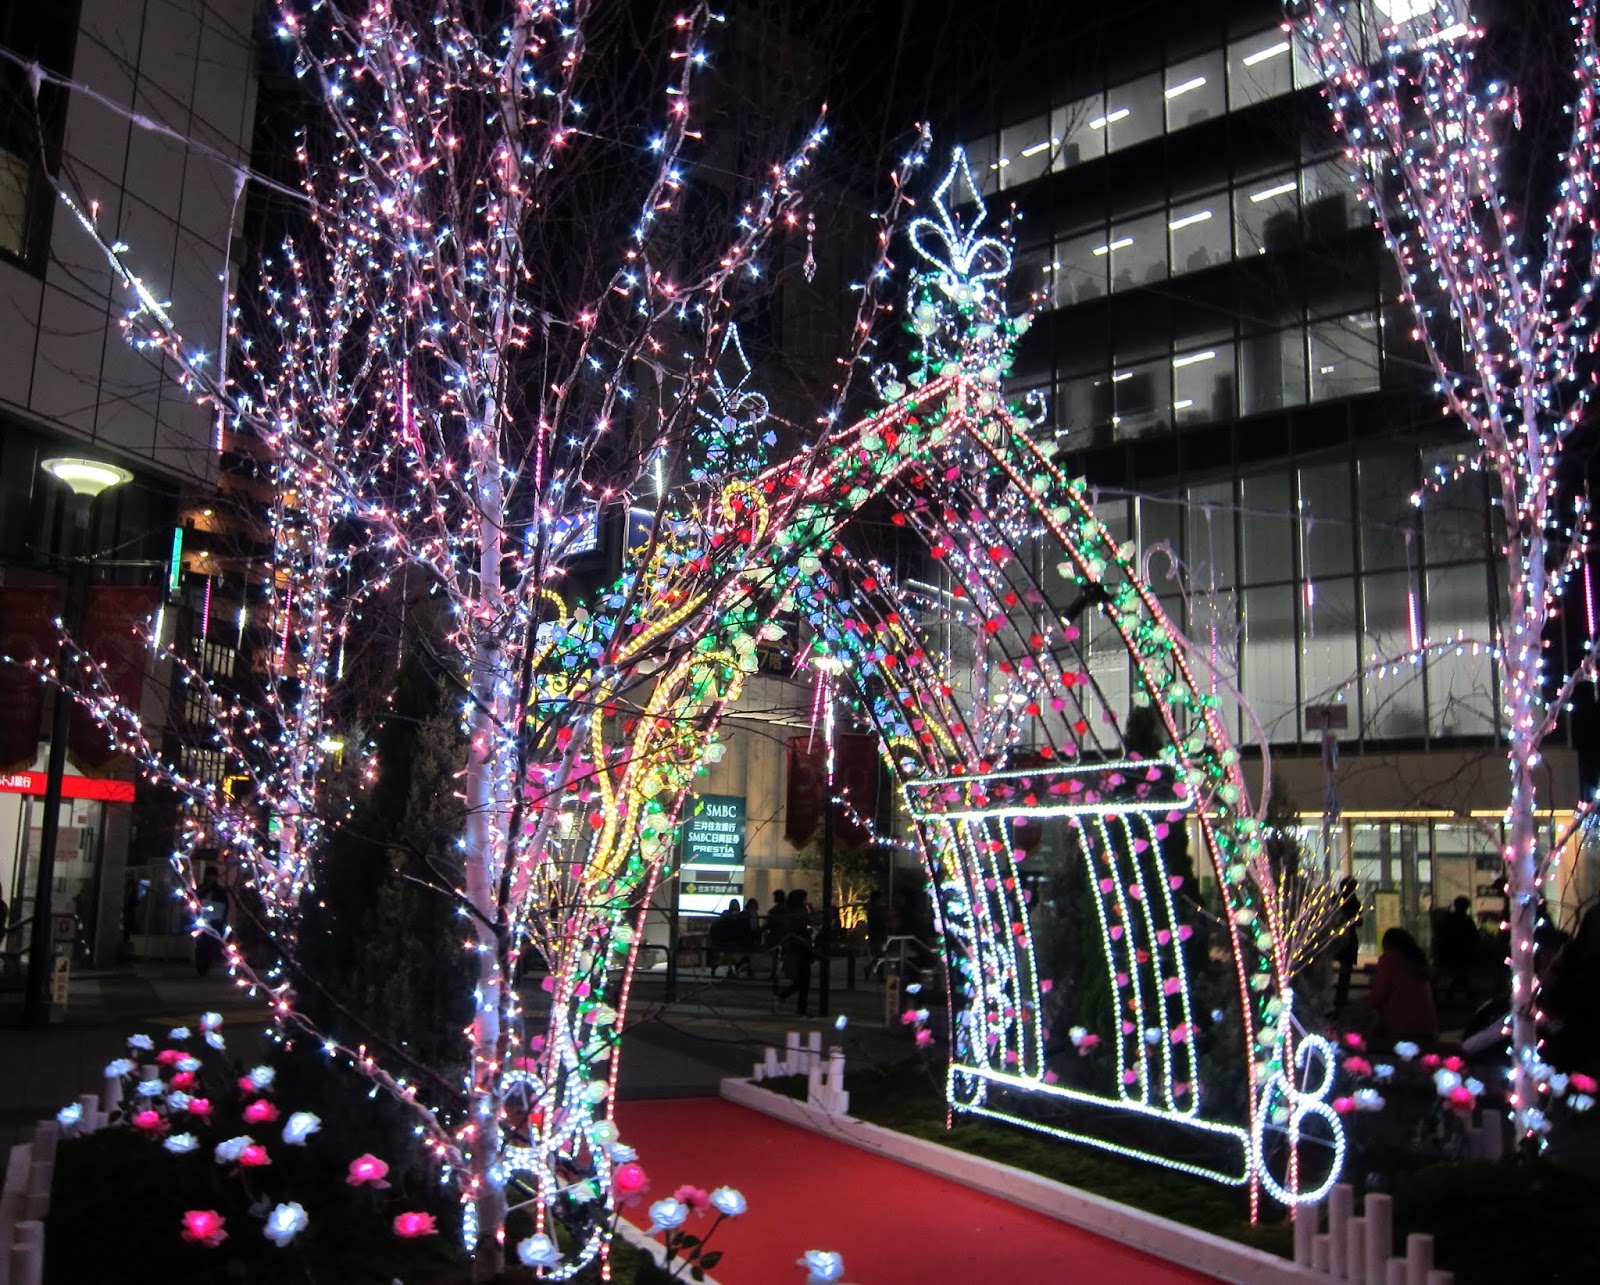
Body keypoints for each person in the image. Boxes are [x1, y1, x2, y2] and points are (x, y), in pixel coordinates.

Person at [1366, 927, 1439, 1044]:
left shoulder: (1389, 961)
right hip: (1428, 1029)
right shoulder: (1417, 962)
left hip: (1400, 1028)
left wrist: (1359, 1006)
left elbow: (1378, 996)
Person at [777, 888, 817, 1017]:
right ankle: (798, 1007)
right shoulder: (801, 912)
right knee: (804, 981)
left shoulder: (790, 912)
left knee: (800, 980)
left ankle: (785, 997)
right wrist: (812, 910)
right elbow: (815, 922)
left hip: (794, 948)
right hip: (802, 948)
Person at [1433, 896, 1478, 1003]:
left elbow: (1440, 934)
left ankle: (1447, 993)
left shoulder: (1448, 919)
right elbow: (1474, 936)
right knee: (1461, 973)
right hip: (1462, 952)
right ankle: (1462, 994)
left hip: (1449, 951)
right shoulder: (1466, 920)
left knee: (1455, 974)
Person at [1332, 878, 1361, 1018]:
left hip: (1335, 937)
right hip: (1349, 938)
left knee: (1334, 969)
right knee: (1345, 972)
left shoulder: (1335, 900)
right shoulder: (1354, 902)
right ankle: (1340, 1000)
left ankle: (1334, 1000)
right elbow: (1359, 922)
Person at [194, 865, 230, 978]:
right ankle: (201, 965)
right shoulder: (201, 889)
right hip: (201, 920)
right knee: (201, 944)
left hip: (215, 921)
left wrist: (222, 918)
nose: (210, 878)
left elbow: (225, 906)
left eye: (212, 876)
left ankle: (206, 965)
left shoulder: (220, 891)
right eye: (209, 875)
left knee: (210, 944)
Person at [707, 898, 743, 976]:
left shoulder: (724, 915)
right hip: (728, 941)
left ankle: (717, 966)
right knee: (730, 952)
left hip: (719, 940)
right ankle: (731, 968)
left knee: (725, 952)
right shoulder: (736, 918)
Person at [864, 889, 888, 978]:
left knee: (879, 955)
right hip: (876, 934)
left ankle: (870, 968)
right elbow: (879, 921)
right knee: (880, 955)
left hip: (877, 934)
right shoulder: (875, 909)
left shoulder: (874, 909)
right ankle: (878, 973)